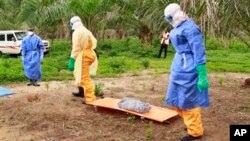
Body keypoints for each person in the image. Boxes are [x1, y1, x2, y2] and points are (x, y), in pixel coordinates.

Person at [164, 3, 210, 141]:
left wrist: (202, 74)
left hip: (189, 67)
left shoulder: (190, 28)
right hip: (178, 66)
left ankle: (195, 131)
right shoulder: (178, 27)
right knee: (177, 99)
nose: (168, 21)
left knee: (188, 100)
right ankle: (191, 123)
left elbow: (199, 51)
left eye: (168, 18)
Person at [67, 16, 98, 104]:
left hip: (84, 55)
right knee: (80, 74)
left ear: (72, 24)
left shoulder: (77, 32)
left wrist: (72, 60)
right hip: (91, 53)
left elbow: (76, 47)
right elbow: (94, 42)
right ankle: (81, 92)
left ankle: (91, 100)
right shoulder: (86, 30)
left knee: (84, 78)